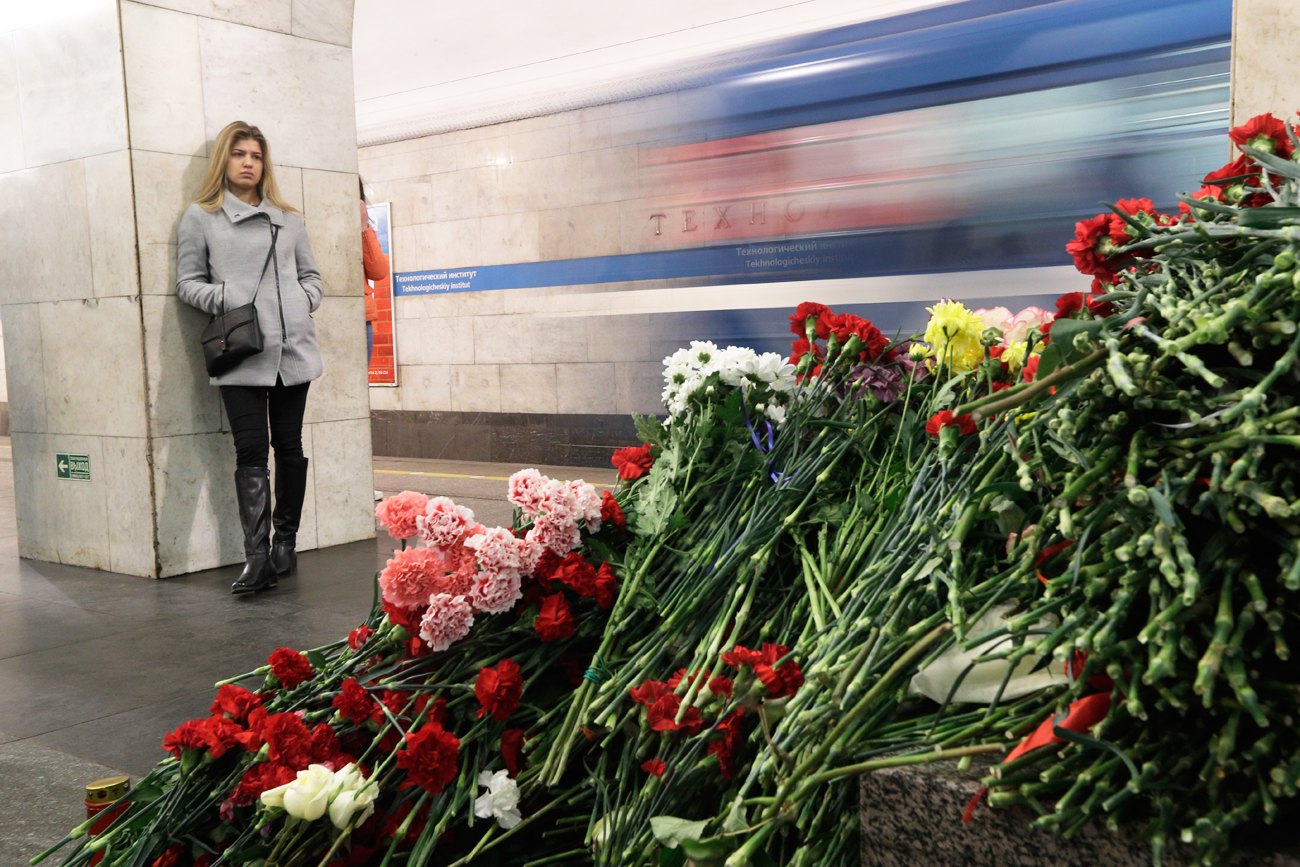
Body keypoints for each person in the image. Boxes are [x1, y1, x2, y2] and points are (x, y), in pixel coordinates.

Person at [175, 121, 323, 595]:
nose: (248, 163)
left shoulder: (288, 218)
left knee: (291, 447)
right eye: (239, 154)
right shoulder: (202, 216)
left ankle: (286, 546)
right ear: (225, 160)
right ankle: (256, 558)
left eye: (256, 156)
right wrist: (231, 297)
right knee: (251, 451)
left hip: (293, 350)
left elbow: (313, 276)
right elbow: (186, 283)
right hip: (241, 350)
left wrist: (303, 300)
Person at [360, 178, 388, 365]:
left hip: (362, 317)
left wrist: (363, 227)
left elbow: (379, 272)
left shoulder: (364, 228)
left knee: (359, 386)